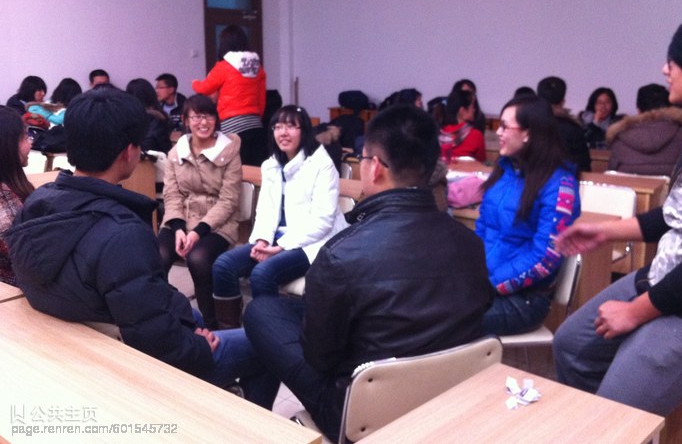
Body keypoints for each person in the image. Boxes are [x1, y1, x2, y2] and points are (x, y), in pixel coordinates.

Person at [242, 105, 494, 443]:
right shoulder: (470, 243)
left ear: (374, 167)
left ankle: (249, 426)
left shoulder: (341, 254)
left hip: (358, 411)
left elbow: (320, 358)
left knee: (259, 312)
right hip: (447, 397)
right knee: (285, 310)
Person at [6, 88, 275, 404]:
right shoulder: (123, 234)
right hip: (130, 365)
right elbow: (157, 341)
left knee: (196, 318)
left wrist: (188, 327)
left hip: (78, 344)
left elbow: (143, 296)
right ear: (129, 152)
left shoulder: (36, 203)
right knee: (268, 344)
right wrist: (197, 346)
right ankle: (240, 420)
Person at [552, 7, 682, 418]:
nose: (665, 69)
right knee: (571, 345)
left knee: (615, 408)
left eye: (675, 60)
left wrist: (634, 311)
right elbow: (679, 216)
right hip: (670, 276)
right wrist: (606, 232)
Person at [212, 105, 347, 328]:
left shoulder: (321, 165)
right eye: (277, 127)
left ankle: (271, 333)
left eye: (291, 126)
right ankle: (231, 332)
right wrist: (262, 240)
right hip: (276, 240)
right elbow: (265, 210)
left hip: (313, 243)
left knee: (262, 273)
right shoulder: (271, 165)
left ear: (304, 131)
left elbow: (322, 222)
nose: (283, 132)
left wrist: (280, 246)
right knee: (223, 265)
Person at [475, 95, 580, 335]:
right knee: (425, 308)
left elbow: (545, 258)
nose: (498, 132)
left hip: (525, 300)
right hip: (484, 286)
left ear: (528, 134)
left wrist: (490, 286)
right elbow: (482, 230)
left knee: (442, 321)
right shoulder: (504, 172)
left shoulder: (560, 184)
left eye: (505, 126)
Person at [159, 94, 245, 329]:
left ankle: (211, 323)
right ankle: (165, 315)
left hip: (218, 223)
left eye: (208, 116)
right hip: (180, 219)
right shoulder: (176, 153)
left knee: (198, 259)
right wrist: (178, 228)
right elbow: (172, 195)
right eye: (196, 117)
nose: (203, 122)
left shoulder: (229, 150)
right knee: (157, 256)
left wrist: (197, 232)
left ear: (216, 119)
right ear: (186, 120)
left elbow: (229, 200)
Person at [192, 24, 267, 166]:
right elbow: (262, 98)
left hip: (232, 127)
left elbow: (204, 89)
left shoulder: (224, 66)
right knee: (255, 171)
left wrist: (195, 83)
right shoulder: (257, 67)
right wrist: (257, 118)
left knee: (233, 170)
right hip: (255, 124)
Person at [606, 83, 682, 176]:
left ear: (638, 110)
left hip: (627, 185)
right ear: (670, 108)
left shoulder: (620, 137)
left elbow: (612, 171)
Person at [0, 107, 34, 286]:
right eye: (25, 137)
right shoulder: (5, 198)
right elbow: (27, 261)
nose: (30, 143)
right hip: (13, 291)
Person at [537, 76, 591, 172]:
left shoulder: (526, 125)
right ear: (562, 102)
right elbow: (583, 166)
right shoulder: (573, 129)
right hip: (564, 179)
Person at [126, 78, 172, 153]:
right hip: (154, 157)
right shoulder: (157, 117)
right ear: (151, 94)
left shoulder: (125, 116)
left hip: (131, 156)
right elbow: (166, 148)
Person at [440, 90, 486, 162]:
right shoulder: (476, 135)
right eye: (472, 106)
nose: (474, 110)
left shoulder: (439, 132)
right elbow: (481, 162)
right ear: (463, 110)